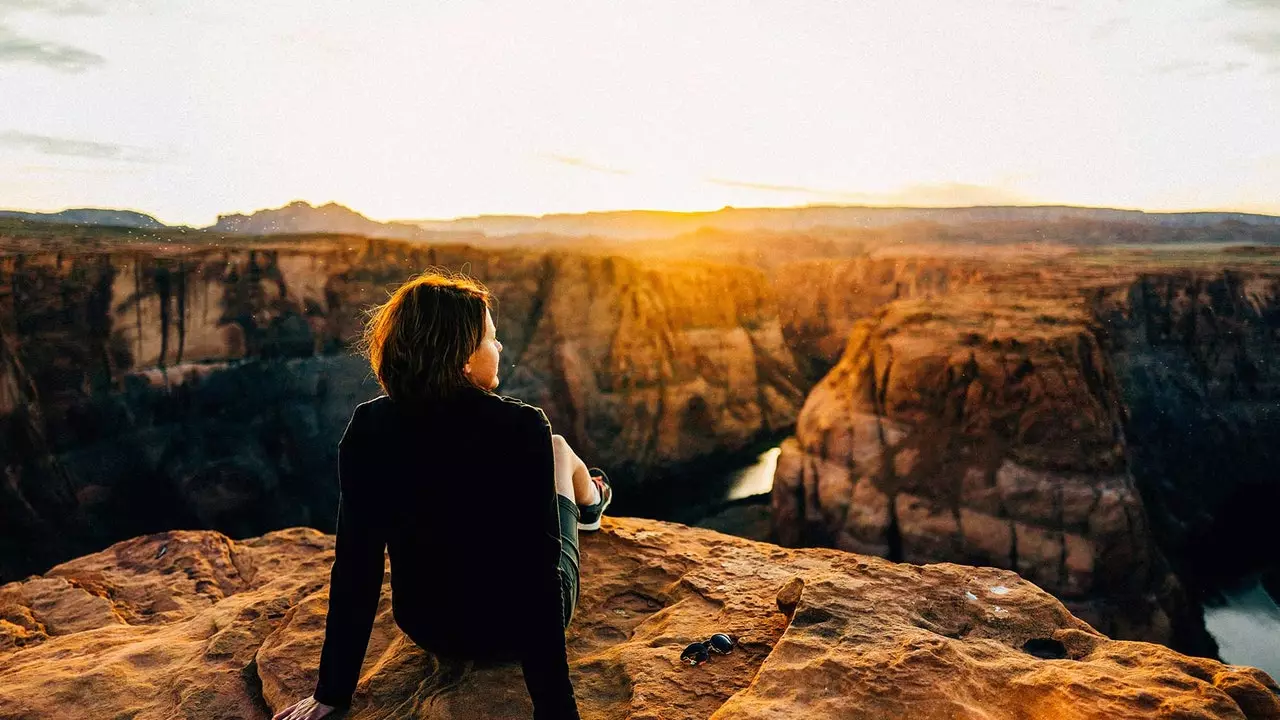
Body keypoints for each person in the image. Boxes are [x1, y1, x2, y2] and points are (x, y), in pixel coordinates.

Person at [272, 271, 613, 720]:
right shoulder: (522, 426)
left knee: (553, 451)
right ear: (463, 361)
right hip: (509, 633)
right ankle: (593, 502)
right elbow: (538, 579)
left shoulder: (369, 427)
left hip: (430, 627)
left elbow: (358, 568)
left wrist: (331, 693)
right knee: (559, 450)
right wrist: (556, 711)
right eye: (491, 339)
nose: (500, 349)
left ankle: (592, 498)